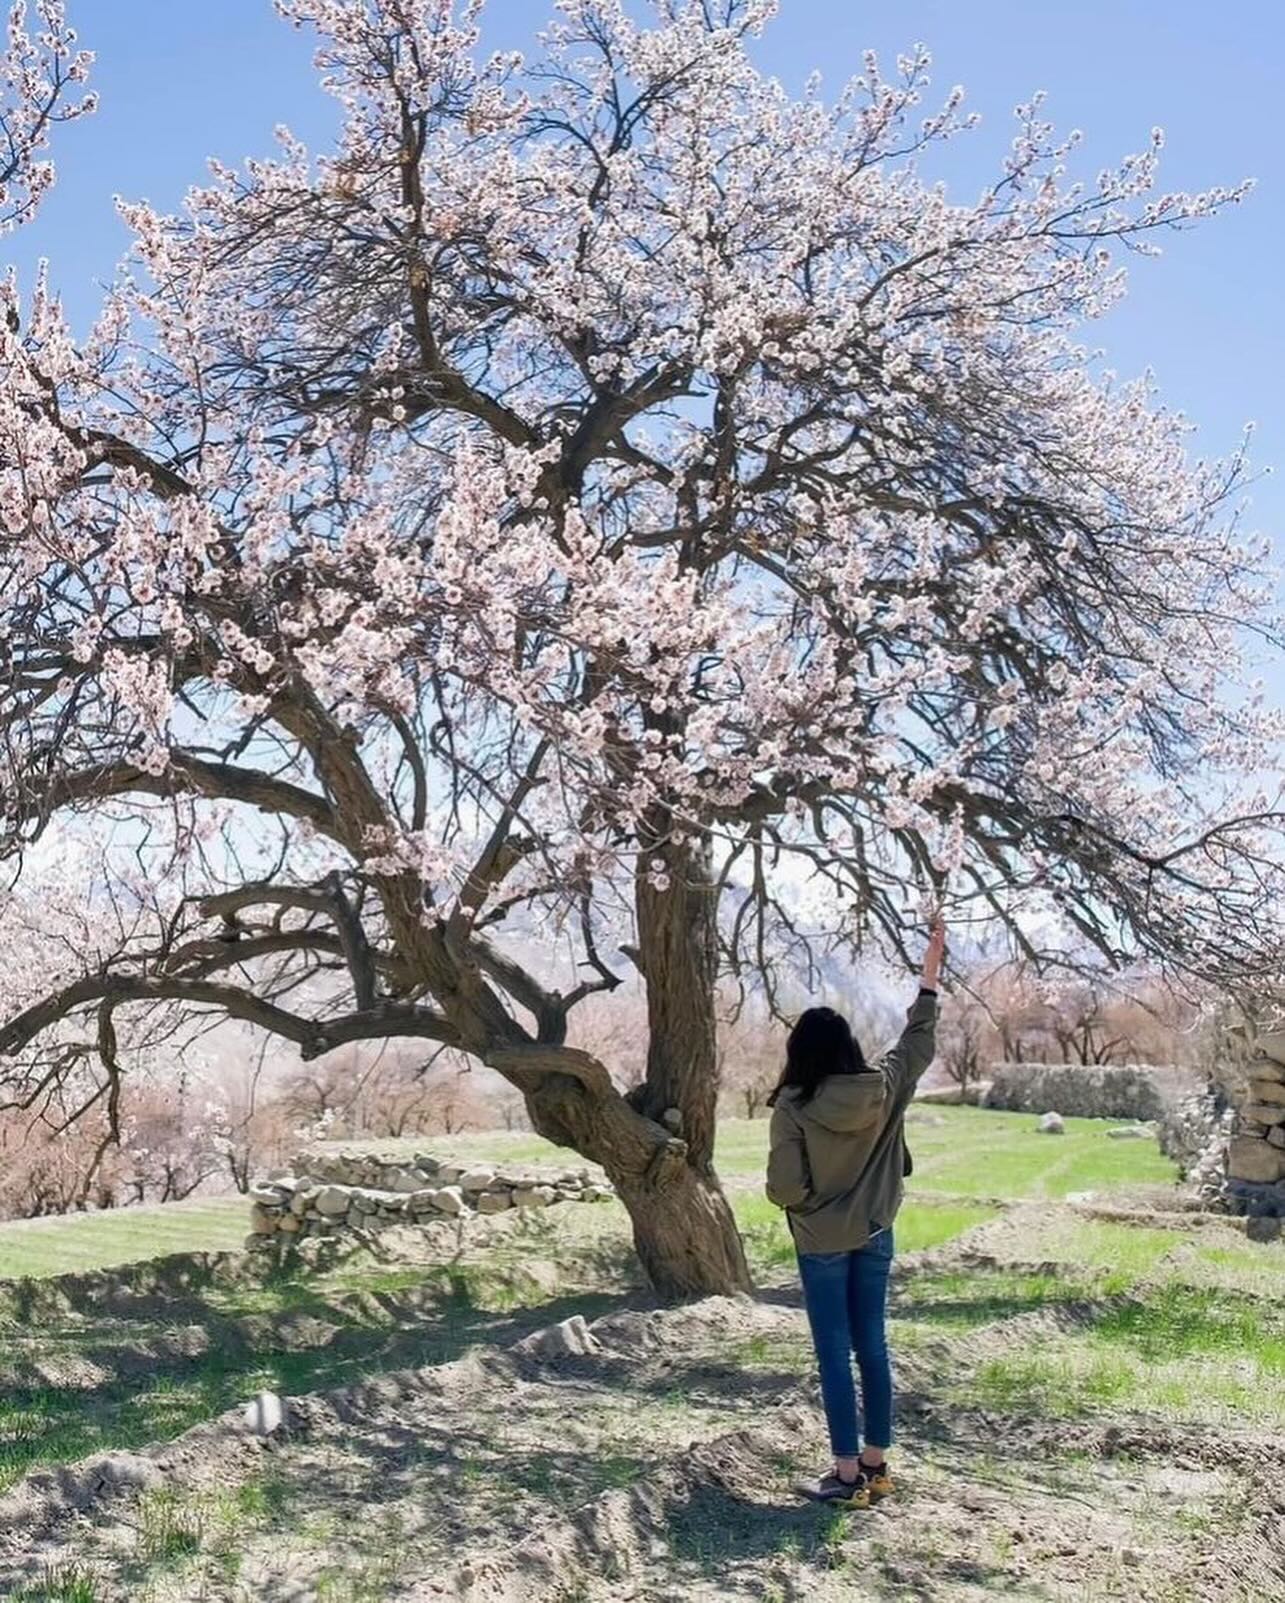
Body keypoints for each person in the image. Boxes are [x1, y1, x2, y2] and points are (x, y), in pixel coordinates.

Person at [765, 917, 945, 1507]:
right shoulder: (884, 1086)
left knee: (834, 1354)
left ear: (798, 1054)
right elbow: (918, 1040)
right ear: (848, 1047)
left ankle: (844, 1476)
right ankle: (876, 1465)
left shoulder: (792, 1106)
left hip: (821, 1242)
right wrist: (929, 977)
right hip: (875, 1231)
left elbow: (784, 1188)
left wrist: (807, 1204)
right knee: (873, 1345)